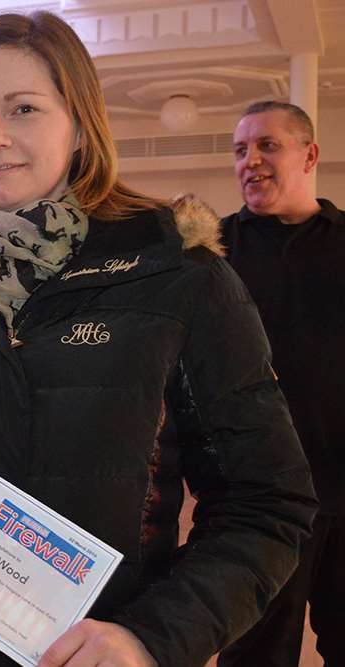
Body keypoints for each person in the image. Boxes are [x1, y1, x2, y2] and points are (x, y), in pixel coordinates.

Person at [0, 11, 317, 667]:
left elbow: (266, 503)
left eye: (22, 108)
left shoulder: (179, 276)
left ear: (79, 124)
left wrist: (149, 638)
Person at [217, 101, 344, 666]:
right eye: (241, 150)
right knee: (255, 653)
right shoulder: (211, 253)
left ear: (310, 155)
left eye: (268, 145)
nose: (251, 161)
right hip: (255, 498)